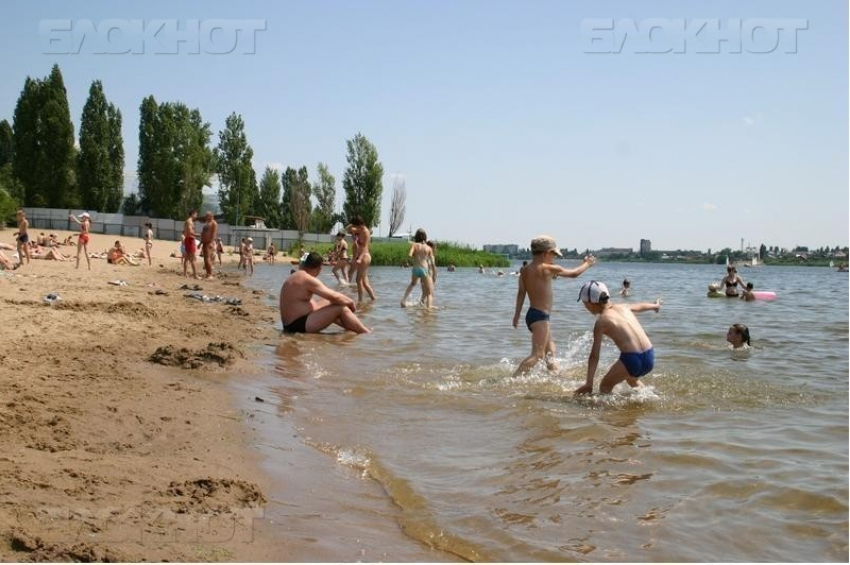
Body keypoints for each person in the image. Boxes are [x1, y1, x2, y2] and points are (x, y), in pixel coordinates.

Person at [511, 235, 596, 377]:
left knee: (550, 352)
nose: (554, 258)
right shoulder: (548, 268)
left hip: (532, 315)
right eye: (554, 255)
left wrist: (516, 315)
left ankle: (556, 375)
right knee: (537, 355)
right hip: (540, 317)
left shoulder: (525, 270)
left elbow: (521, 293)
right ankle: (513, 380)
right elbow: (574, 273)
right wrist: (587, 263)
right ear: (546, 254)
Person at [574, 281, 662, 395]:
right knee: (631, 379)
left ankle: (610, 410)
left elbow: (594, 356)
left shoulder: (601, 322)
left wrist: (589, 383)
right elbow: (640, 306)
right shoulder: (623, 306)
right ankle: (646, 398)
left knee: (605, 386)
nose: (585, 307)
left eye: (584, 303)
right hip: (650, 355)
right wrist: (655, 306)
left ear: (591, 304)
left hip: (632, 359)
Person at [279, 252, 370, 334]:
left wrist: (339, 301)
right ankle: (365, 332)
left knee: (329, 302)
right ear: (319, 268)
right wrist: (351, 303)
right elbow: (335, 297)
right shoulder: (307, 279)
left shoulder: (297, 275)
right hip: (297, 326)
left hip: (291, 323)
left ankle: (352, 327)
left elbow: (331, 297)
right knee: (341, 308)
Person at [400, 228, 437, 308]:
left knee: (412, 284)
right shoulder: (428, 248)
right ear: (425, 237)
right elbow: (433, 263)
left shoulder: (414, 245)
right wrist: (434, 274)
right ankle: (428, 309)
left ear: (416, 237)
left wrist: (409, 260)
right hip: (424, 270)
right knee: (429, 293)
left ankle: (403, 300)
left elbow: (409, 254)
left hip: (415, 269)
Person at [346, 216, 376, 302]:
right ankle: (373, 299)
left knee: (358, 280)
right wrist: (351, 224)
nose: (353, 227)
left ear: (358, 224)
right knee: (365, 282)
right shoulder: (359, 230)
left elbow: (365, 247)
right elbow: (347, 230)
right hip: (361, 257)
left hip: (365, 256)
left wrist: (359, 259)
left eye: (354, 225)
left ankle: (360, 301)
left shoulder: (366, 232)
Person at [200, 211, 217, 279]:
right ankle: (208, 273)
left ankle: (210, 274)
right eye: (205, 216)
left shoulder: (213, 223)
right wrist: (201, 242)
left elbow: (214, 234)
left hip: (208, 243)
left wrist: (211, 242)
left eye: (207, 216)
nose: (205, 217)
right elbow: (203, 233)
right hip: (204, 243)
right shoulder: (208, 223)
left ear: (211, 216)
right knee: (205, 259)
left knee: (207, 259)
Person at [182, 210, 199, 279]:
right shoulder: (189, 222)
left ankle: (185, 274)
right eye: (196, 215)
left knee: (187, 258)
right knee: (193, 258)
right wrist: (199, 235)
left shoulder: (188, 221)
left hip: (188, 240)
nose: (196, 216)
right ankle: (195, 275)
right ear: (192, 214)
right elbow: (190, 232)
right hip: (190, 240)